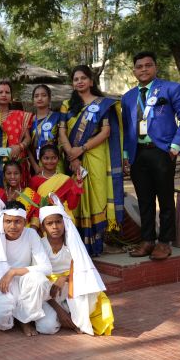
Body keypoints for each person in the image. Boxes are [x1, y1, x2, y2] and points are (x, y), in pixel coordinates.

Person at [122, 51, 180, 260]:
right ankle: (147, 241)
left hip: (162, 151)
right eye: (139, 66)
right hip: (138, 154)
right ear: (134, 70)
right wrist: (127, 154)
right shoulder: (128, 97)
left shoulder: (171, 88)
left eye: (148, 65)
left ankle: (164, 242)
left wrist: (174, 146)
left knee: (165, 198)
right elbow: (128, 128)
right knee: (144, 199)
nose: (143, 69)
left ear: (155, 67)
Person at [59, 65, 124, 256]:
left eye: (83, 78)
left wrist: (82, 148)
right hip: (72, 157)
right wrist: (72, 153)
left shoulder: (103, 104)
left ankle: (97, 242)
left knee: (97, 196)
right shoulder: (66, 105)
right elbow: (62, 131)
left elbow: (106, 131)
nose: (79, 81)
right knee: (75, 198)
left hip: (95, 156)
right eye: (76, 79)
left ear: (91, 81)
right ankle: (78, 244)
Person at [34, 193, 114, 336]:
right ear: (43, 227)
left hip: (74, 285)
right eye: (49, 223)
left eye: (58, 222)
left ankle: (74, 317)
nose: (55, 227)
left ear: (64, 222)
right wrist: (59, 310)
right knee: (47, 327)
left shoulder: (73, 244)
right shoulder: (39, 246)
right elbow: (38, 281)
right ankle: (67, 316)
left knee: (89, 295)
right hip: (49, 292)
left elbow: (83, 271)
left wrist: (64, 278)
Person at [0, 197, 52, 337]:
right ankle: (15, 315)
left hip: (25, 283)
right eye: (8, 221)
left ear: (24, 222)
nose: (13, 226)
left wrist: (13, 272)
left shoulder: (30, 234)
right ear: (2, 221)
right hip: (2, 285)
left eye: (17, 221)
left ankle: (24, 320)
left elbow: (46, 268)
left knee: (39, 280)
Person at [0, 81, 33, 187]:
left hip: (17, 162)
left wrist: (20, 147)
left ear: (11, 97)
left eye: (7, 92)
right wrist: (6, 151)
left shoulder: (20, 116)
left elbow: (27, 138)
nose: (4, 95)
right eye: (0, 92)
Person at [29, 144, 83, 223]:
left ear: (58, 159)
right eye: (46, 158)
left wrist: (77, 188)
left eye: (53, 158)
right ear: (40, 160)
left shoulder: (66, 180)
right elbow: (32, 206)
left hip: (61, 221)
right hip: (40, 220)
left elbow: (72, 205)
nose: (50, 161)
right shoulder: (34, 180)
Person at [29, 84, 65, 174]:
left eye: (43, 95)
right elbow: (27, 147)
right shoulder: (28, 120)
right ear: (33, 101)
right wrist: (35, 167)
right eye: (36, 96)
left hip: (55, 164)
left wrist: (52, 160)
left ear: (49, 99)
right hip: (35, 166)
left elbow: (63, 141)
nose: (40, 98)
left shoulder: (58, 117)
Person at [1, 161, 41, 230]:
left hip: (27, 232)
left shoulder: (30, 194)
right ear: (4, 175)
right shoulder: (0, 194)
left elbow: (36, 215)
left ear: (21, 175)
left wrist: (31, 233)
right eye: (9, 173)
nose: (12, 177)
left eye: (16, 173)